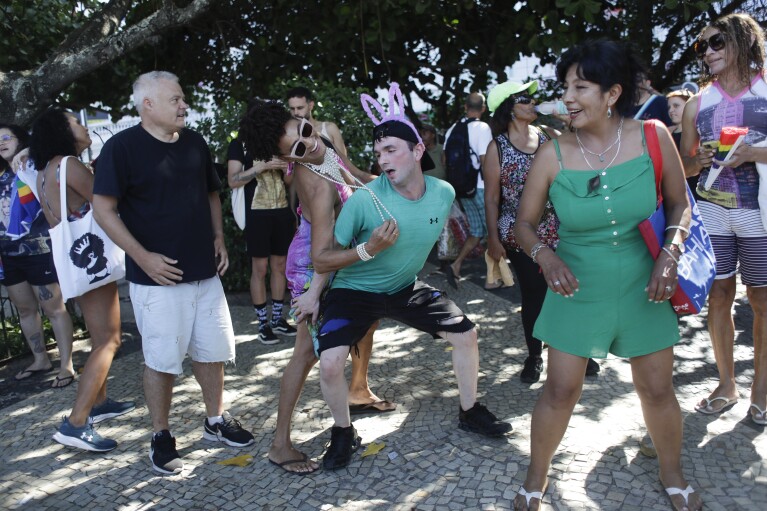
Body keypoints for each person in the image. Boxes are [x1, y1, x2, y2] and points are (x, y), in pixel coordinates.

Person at [513, 40, 702, 511]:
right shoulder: (553, 152)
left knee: (657, 389)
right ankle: (536, 477)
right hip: (576, 286)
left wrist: (670, 255)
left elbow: (680, 204)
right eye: (565, 87)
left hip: (647, 285)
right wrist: (546, 257)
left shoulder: (653, 135)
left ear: (612, 92)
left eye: (581, 87)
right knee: (561, 389)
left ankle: (672, 472)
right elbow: (522, 224)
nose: (568, 98)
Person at [313, 83, 511, 471]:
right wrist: (317, 290)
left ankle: (470, 411)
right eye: (378, 153)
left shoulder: (444, 192)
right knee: (331, 363)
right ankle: (343, 432)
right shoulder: (364, 200)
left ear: (418, 150)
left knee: (467, 334)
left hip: (405, 289)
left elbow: (432, 237)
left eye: (391, 150)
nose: (383, 159)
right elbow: (324, 259)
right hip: (354, 290)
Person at [92, 71, 254, 474]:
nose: (184, 106)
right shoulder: (121, 148)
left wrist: (219, 236)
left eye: (183, 98)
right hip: (157, 278)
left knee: (212, 351)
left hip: (205, 269)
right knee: (161, 360)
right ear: (147, 105)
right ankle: (161, 435)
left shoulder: (195, 143)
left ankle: (215, 420)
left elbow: (211, 191)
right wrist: (142, 257)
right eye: (176, 100)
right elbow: (103, 209)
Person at [237, 99, 396, 474]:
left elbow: (359, 178)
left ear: (303, 119)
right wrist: (365, 251)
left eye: (304, 130)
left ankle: (354, 394)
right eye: (295, 148)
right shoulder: (312, 181)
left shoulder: (322, 146)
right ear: (284, 158)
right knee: (306, 354)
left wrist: (402, 180)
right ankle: (279, 444)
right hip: (312, 267)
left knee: (338, 339)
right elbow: (322, 255)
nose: (306, 143)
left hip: (327, 256)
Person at [30, 107, 135, 451]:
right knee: (110, 339)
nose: (83, 125)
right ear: (62, 131)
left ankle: (100, 403)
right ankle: (76, 423)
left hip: (75, 260)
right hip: (91, 258)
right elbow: (105, 198)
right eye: (76, 122)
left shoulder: (46, 170)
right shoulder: (69, 165)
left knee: (98, 335)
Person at [680, 13, 767, 426]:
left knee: (762, 301)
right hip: (712, 211)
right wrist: (694, 160)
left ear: (740, 41)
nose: (707, 52)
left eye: (715, 42)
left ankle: (761, 390)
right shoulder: (697, 104)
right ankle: (726, 384)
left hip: (759, 214)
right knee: (719, 297)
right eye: (702, 47)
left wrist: (754, 153)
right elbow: (682, 165)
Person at [484, 80, 601, 385]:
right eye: (524, 98)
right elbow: (492, 197)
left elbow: (585, 149)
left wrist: (569, 120)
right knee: (534, 297)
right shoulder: (497, 147)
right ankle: (534, 356)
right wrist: (494, 239)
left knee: (570, 291)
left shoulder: (550, 135)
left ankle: (579, 353)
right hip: (519, 233)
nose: (532, 102)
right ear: (509, 107)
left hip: (559, 228)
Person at [0, 123, 75, 388]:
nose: (1, 142)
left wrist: (29, 150)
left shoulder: (34, 164)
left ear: (20, 139)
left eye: (6, 137)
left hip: (40, 249)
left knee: (53, 308)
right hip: (8, 253)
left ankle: (66, 365)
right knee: (24, 309)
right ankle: (40, 360)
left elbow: (63, 148)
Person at [227, 109, 296, 345]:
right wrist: (261, 167)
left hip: (281, 210)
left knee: (280, 265)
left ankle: (278, 319)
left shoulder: (279, 144)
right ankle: (263, 324)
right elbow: (232, 180)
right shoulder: (239, 145)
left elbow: (288, 181)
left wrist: (286, 165)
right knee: (260, 269)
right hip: (256, 213)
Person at [444, 93, 493, 287]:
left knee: (477, 231)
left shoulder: (452, 129)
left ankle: (456, 265)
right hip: (480, 187)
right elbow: (485, 160)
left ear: (465, 107)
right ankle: (492, 278)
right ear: (483, 109)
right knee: (493, 233)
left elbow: (444, 161)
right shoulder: (482, 127)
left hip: (463, 189)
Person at [286, 86, 348, 157]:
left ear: (311, 105)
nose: (296, 112)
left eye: (300, 108)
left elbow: (344, 163)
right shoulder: (288, 135)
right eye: (292, 109)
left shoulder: (329, 128)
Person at [666, 88, 698, 199]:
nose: (671, 110)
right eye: (669, 107)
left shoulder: (697, 134)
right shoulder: (665, 134)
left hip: (695, 193)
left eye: (676, 106)